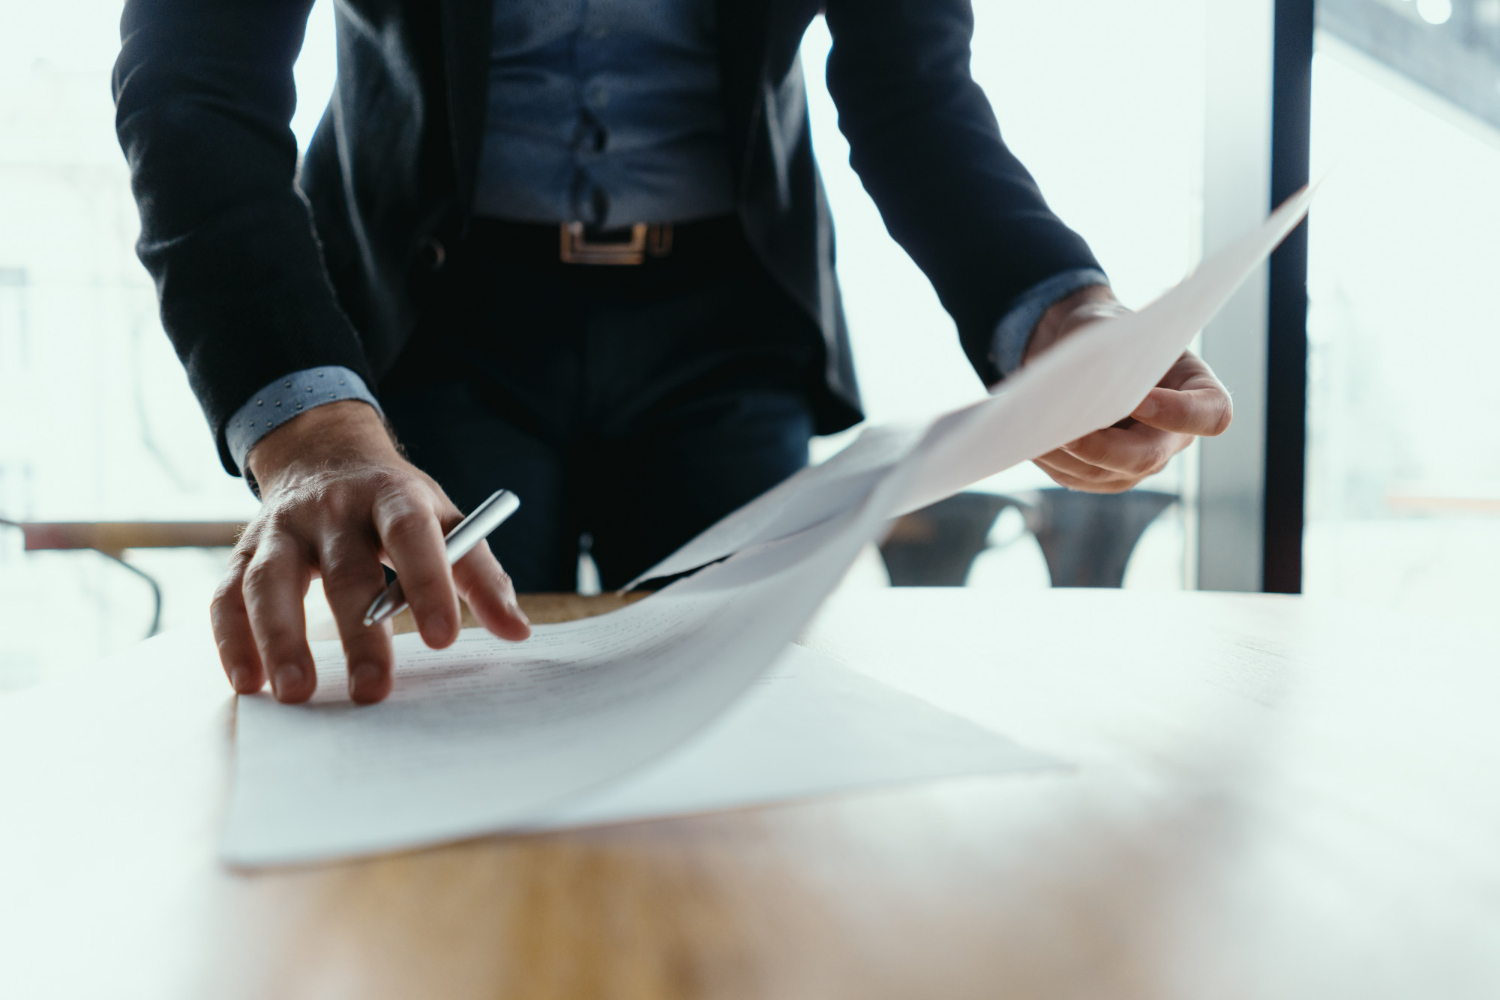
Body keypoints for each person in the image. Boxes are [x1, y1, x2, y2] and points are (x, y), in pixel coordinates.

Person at [113, 0, 1232, 706]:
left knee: (743, 722)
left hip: (725, 331)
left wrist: (1058, 313)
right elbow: (192, 81)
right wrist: (308, 432)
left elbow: (914, 92)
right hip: (425, 327)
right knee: (430, 713)